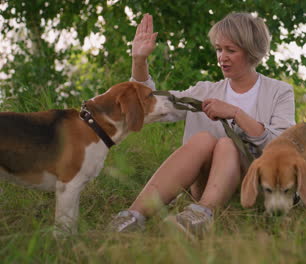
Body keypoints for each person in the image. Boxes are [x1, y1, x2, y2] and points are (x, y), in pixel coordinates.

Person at [107, 12, 296, 238]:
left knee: (226, 144)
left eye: (231, 50)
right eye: (219, 49)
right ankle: (132, 217)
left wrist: (236, 113)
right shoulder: (205, 91)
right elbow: (152, 104)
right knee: (203, 140)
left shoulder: (279, 92)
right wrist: (139, 61)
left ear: (251, 51)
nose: (222, 57)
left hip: (250, 190)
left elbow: (281, 148)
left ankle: (201, 215)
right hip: (203, 184)